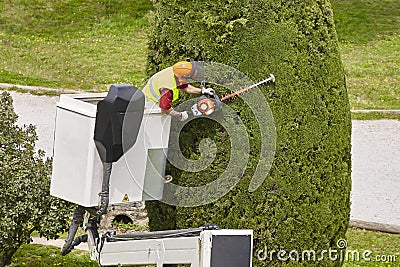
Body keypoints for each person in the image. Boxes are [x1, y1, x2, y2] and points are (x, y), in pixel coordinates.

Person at [141, 59, 214, 121]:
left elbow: (185, 87)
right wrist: (180, 115)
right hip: (150, 107)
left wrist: (202, 91)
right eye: (188, 79)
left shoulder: (176, 71)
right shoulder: (167, 90)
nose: (189, 81)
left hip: (150, 99)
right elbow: (165, 110)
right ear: (182, 78)